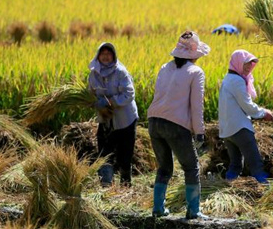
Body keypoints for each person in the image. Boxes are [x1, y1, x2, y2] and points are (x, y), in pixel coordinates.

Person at [147, 31, 208, 219]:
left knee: (164, 167)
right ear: (194, 55)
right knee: (191, 167)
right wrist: (199, 131)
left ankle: (158, 208)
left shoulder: (165, 67)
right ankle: (194, 210)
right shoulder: (196, 72)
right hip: (175, 125)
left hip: (154, 121)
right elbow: (197, 105)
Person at [88, 42, 138, 187]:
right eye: (102, 54)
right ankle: (106, 185)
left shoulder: (120, 72)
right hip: (105, 118)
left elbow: (129, 94)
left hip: (125, 119)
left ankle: (125, 184)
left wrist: (110, 102)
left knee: (125, 153)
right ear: (98, 56)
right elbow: (90, 93)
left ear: (113, 56)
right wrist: (96, 104)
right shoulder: (93, 74)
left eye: (108, 54)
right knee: (104, 152)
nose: (105, 56)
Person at [220, 50, 273, 183]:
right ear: (238, 63)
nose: (249, 67)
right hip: (240, 128)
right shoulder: (237, 80)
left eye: (251, 64)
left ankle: (227, 187)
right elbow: (247, 105)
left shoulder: (228, 78)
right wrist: (263, 113)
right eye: (246, 63)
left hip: (227, 130)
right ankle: (266, 188)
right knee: (256, 164)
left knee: (235, 165)